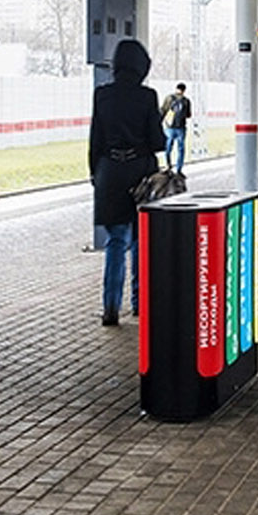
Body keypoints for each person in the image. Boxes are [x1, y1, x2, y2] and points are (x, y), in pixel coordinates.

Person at [89, 39, 166, 327]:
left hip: (109, 173)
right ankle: (140, 303)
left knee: (116, 241)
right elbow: (158, 142)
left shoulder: (102, 95)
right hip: (140, 173)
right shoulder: (147, 96)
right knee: (141, 240)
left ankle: (110, 308)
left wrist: (96, 174)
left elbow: (95, 138)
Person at [160, 83, 191, 173]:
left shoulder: (169, 98)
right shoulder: (186, 101)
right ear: (184, 90)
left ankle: (168, 165)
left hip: (169, 127)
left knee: (168, 147)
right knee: (181, 149)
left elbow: (163, 110)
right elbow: (188, 115)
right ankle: (179, 169)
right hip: (181, 127)